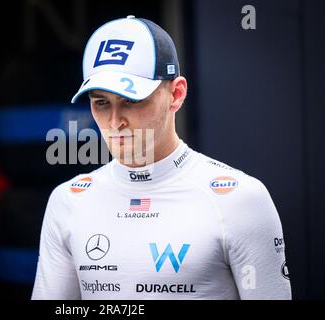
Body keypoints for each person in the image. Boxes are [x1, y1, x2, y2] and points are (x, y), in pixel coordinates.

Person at [31, 15, 291, 300]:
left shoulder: (239, 199)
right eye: (101, 103)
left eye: (132, 100)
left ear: (176, 94)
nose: (115, 121)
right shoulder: (68, 200)